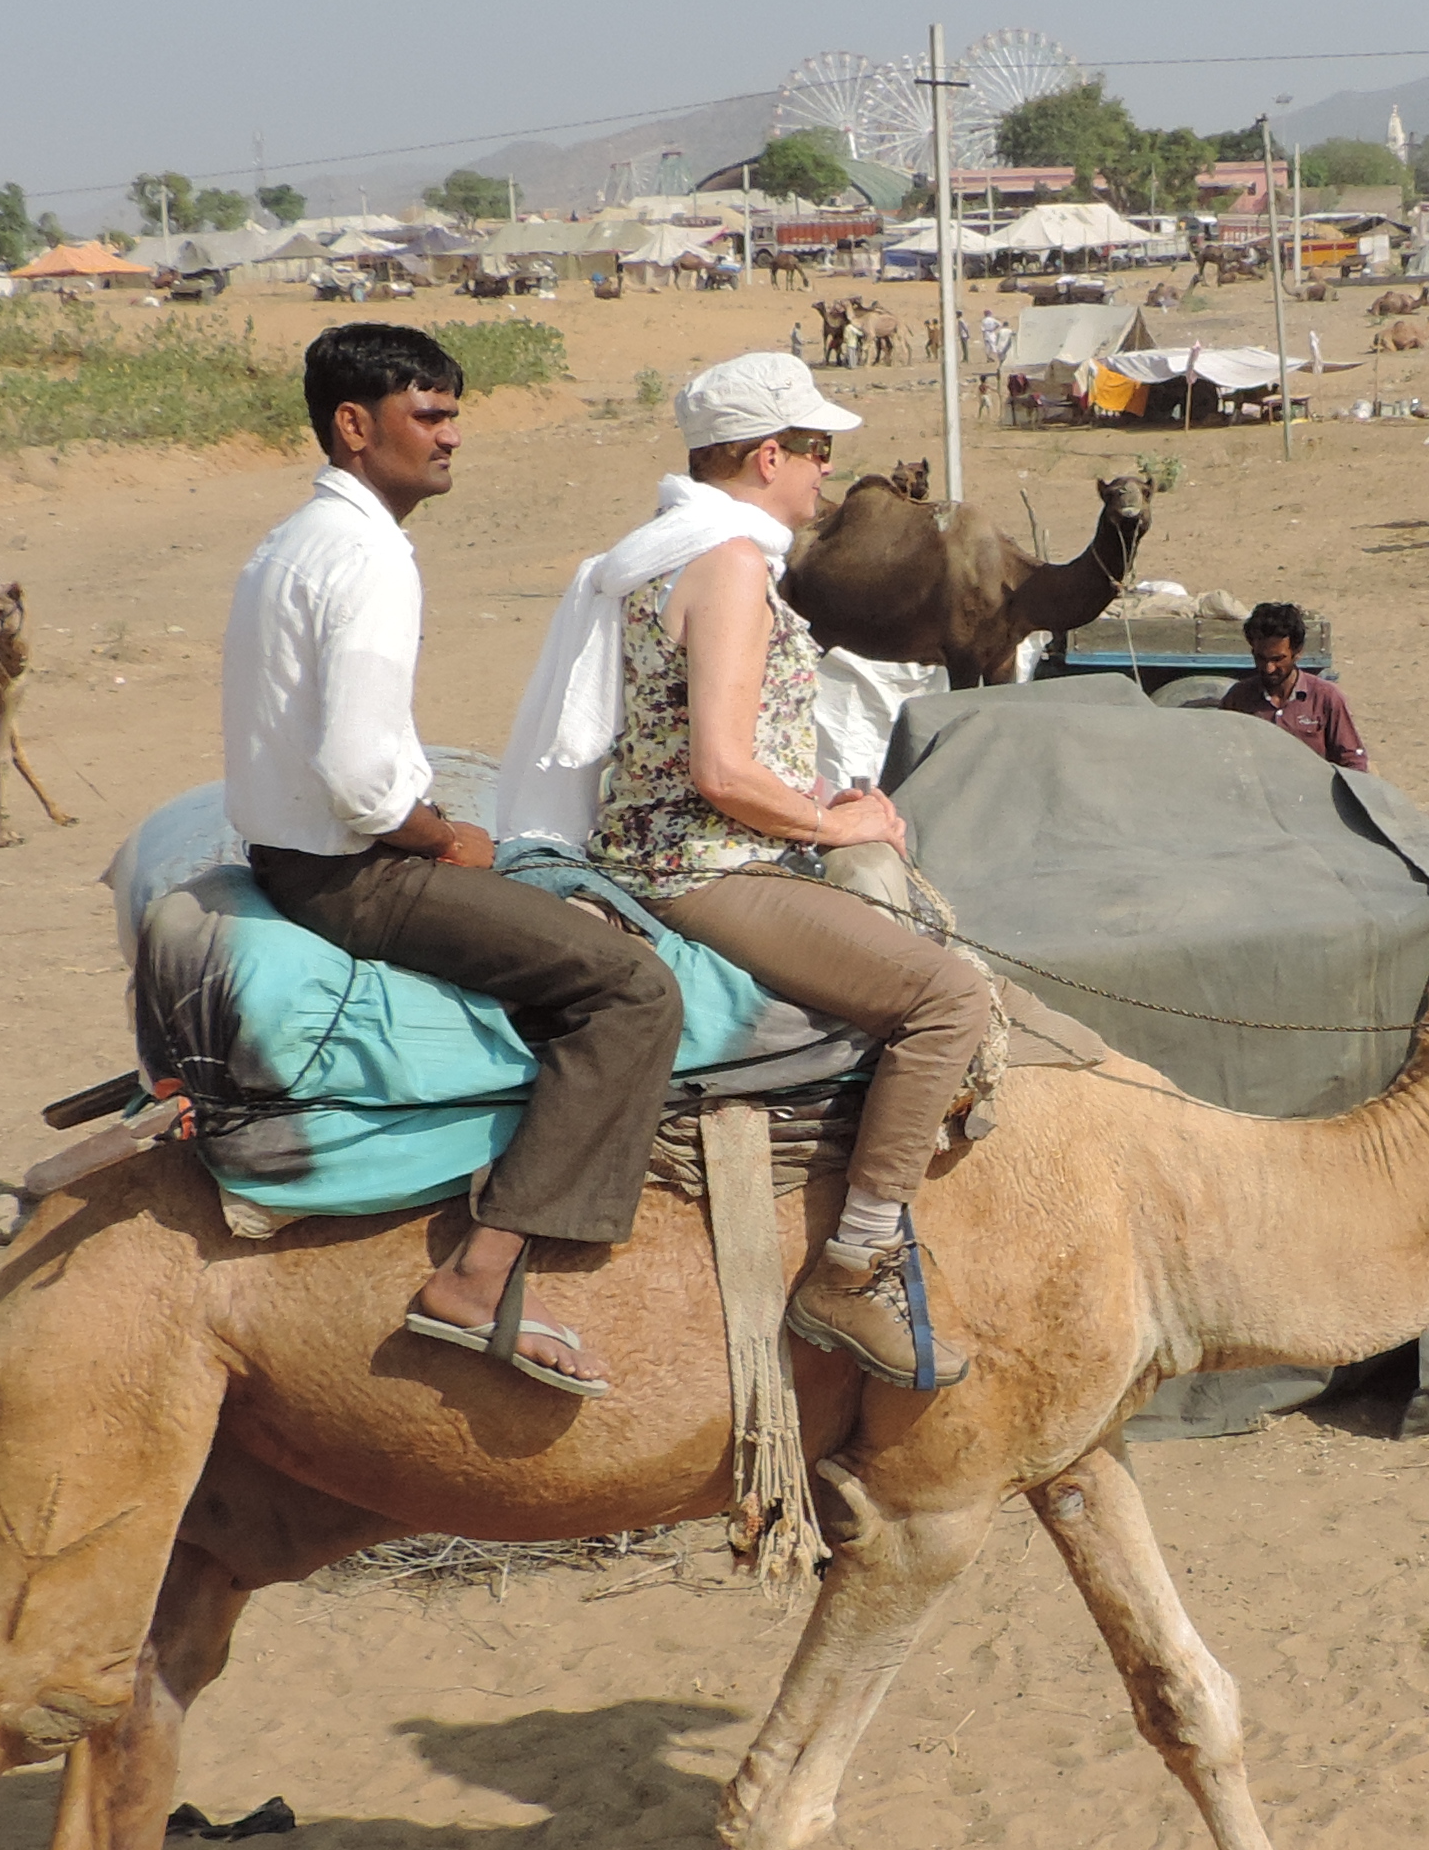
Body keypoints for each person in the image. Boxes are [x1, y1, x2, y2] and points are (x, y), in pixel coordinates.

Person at [502, 353, 999, 1392]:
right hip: (703, 866)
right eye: (817, 450)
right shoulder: (727, 566)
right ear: (768, 456)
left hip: (687, 846)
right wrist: (830, 820)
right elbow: (722, 770)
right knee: (947, 999)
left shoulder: (672, 555)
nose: (828, 471)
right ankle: (853, 1268)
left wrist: (827, 808)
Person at [224, 320, 680, 1400]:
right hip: (357, 873)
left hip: (295, 855)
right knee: (634, 990)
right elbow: (358, 779)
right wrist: (443, 838)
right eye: (427, 414)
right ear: (354, 425)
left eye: (452, 415)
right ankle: (478, 1276)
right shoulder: (370, 558)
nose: (451, 436)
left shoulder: (292, 540)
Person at [1216, 603, 1368, 769]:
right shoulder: (1238, 699)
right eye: (1261, 658)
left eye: (1277, 659)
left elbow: (1353, 761)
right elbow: (1220, 754)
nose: (1269, 668)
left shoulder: (1325, 698)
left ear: (1297, 652)